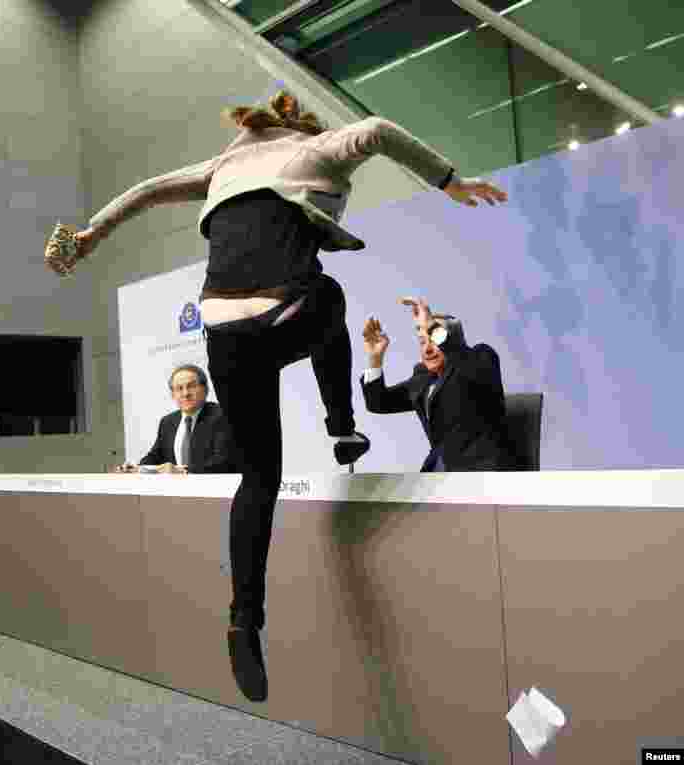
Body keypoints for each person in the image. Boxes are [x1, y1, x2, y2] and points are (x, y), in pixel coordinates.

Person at [46, 90, 508, 702]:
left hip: (222, 332)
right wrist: (448, 181)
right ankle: (341, 422)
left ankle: (243, 622)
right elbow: (377, 127)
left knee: (258, 480)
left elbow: (145, 191)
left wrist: (88, 236)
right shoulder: (317, 146)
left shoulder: (219, 167)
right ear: (299, 127)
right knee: (332, 299)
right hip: (282, 310)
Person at [361, 298, 518, 471]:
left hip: (481, 474)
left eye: (433, 340)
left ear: (453, 340)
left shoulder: (480, 358)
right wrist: (375, 359)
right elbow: (378, 402)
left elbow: (465, 365)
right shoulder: (422, 379)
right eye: (422, 342)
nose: (427, 349)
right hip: (436, 477)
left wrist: (430, 324)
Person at [116, 364, 236, 474]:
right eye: (179, 388)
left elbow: (223, 461)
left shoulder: (222, 415)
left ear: (205, 390)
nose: (185, 393)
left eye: (191, 386)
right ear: (173, 394)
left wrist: (181, 471)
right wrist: (137, 468)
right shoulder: (168, 422)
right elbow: (155, 456)